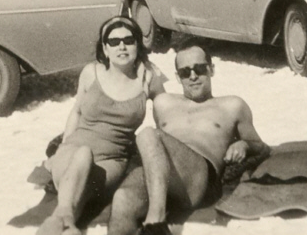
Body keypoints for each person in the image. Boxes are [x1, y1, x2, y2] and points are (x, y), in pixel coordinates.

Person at [107, 39, 270, 235]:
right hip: (164, 177)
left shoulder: (232, 105)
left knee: (148, 134)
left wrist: (244, 144)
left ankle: (156, 221)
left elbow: (260, 146)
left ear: (211, 69)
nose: (193, 76)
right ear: (178, 77)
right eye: (185, 72)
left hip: (199, 178)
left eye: (199, 69)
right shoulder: (163, 103)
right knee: (122, 199)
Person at [37, 16, 165, 235]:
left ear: (137, 45)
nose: (122, 46)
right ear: (105, 49)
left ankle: (60, 220)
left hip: (110, 161)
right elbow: (76, 111)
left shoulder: (148, 78)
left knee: (79, 188)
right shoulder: (91, 72)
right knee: (83, 154)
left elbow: (166, 114)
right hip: (72, 151)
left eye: (128, 40)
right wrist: (61, 148)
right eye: (114, 42)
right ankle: (67, 221)